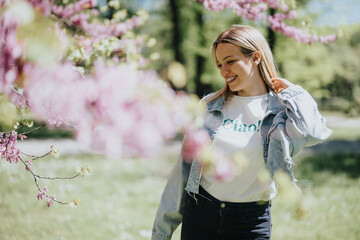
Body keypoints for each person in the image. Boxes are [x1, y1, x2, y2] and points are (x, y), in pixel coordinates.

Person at [152, 25, 332, 240]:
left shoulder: (281, 112)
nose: (223, 71)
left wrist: (294, 93)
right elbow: (182, 174)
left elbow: (314, 132)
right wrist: (161, 233)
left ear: (255, 57)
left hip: (251, 223)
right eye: (219, 64)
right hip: (201, 216)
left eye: (230, 61)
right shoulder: (209, 106)